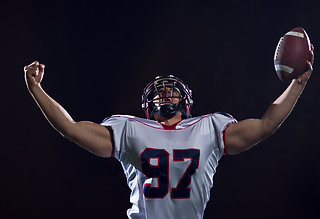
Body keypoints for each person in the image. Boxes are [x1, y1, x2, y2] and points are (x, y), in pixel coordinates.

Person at [24, 47, 314, 219]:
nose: (165, 95)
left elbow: (265, 125)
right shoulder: (128, 128)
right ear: (148, 104)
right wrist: (37, 90)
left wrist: (297, 85)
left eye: (171, 92)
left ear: (184, 101)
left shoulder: (209, 127)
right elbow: (71, 129)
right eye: (159, 92)